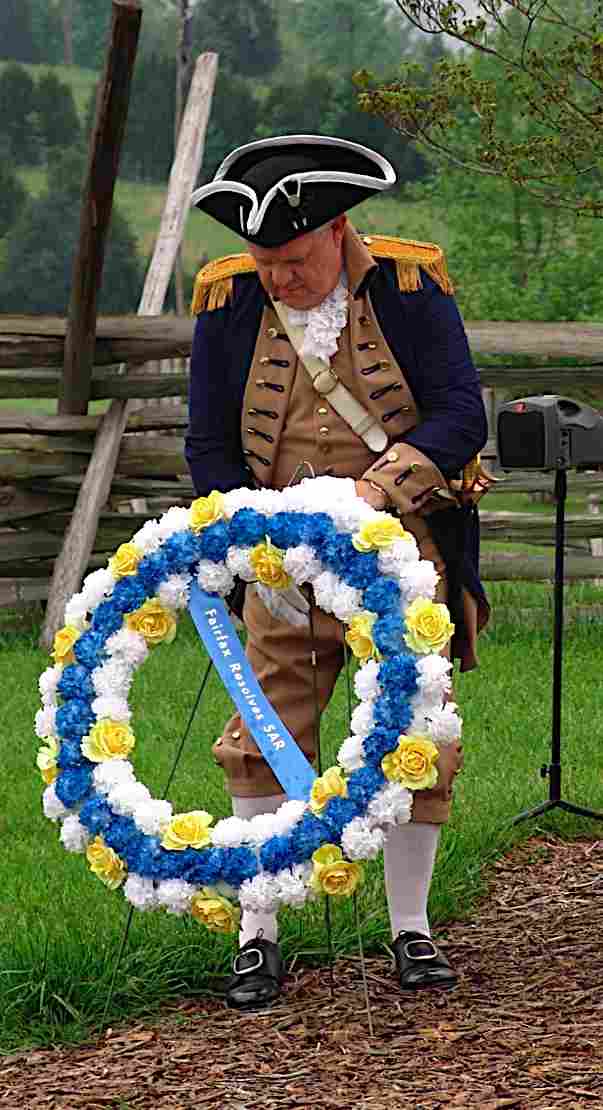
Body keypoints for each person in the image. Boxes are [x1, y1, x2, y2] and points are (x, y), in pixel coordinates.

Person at [185, 135, 490, 1011]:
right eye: (262, 261)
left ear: (338, 229)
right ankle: (258, 937)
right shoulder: (230, 299)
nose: (276, 278)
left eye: (292, 260)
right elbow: (209, 441)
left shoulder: (408, 286)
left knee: (418, 734)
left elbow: (459, 412)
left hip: (398, 546)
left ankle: (411, 930)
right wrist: (253, 536)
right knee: (265, 734)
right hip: (280, 558)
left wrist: (372, 490)